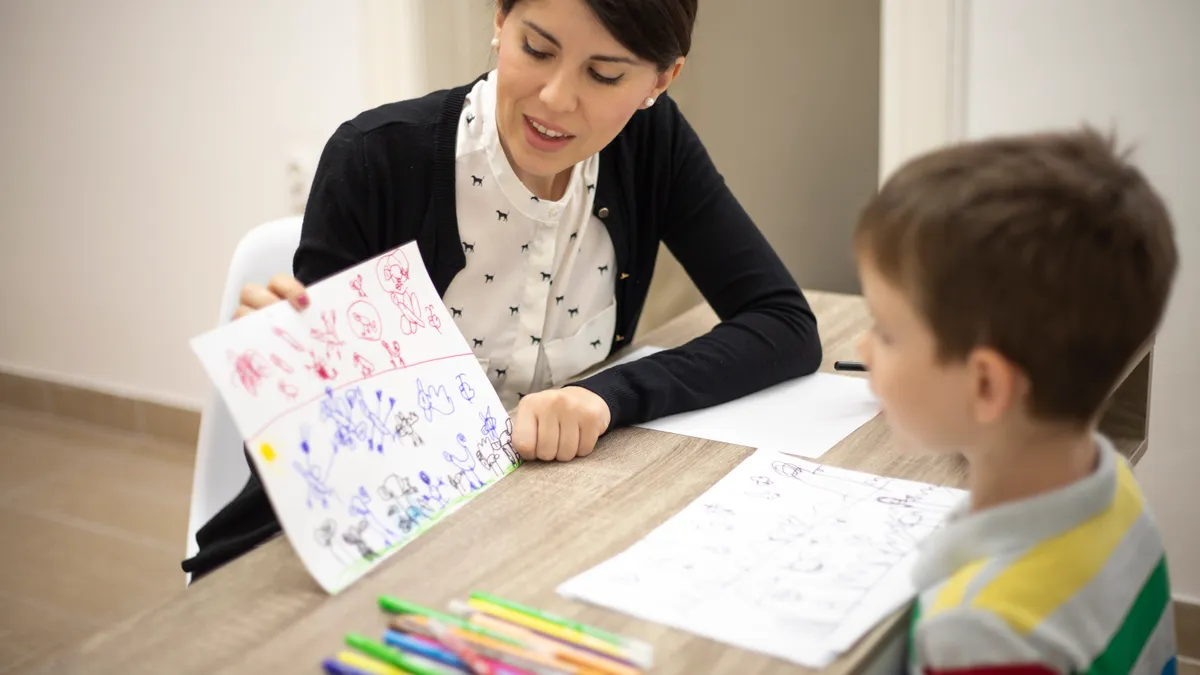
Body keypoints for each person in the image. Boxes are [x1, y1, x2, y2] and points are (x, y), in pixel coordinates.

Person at [182, 0, 821, 580]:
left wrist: (605, 397)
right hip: (368, 545)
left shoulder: (650, 144)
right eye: (536, 50)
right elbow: (325, 463)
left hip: (544, 522)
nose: (555, 98)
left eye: (604, 75)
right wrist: (292, 370)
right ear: (499, 20)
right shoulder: (374, 159)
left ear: (661, 80)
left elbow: (783, 324)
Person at [853, 128, 1178, 673]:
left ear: (986, 386)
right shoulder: (1115, 488)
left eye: (885, 332)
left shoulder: (982, 634)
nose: (862, 347)